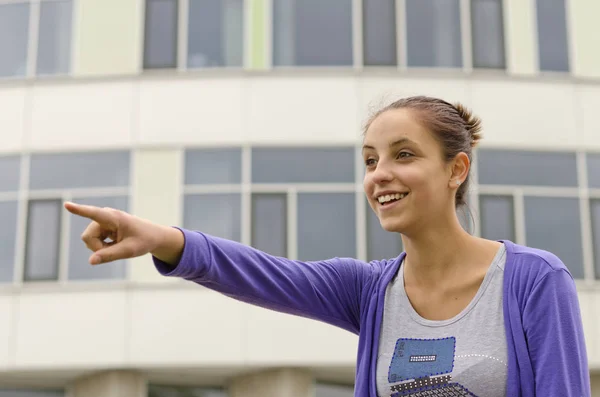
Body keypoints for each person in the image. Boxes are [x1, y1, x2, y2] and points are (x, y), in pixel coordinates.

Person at [64, 95, 590, 397]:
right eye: (369, 160)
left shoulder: (532, 281)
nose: (380, 175)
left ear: (457, 168)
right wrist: (160, 238)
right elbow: (264, 274)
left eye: (403, 155)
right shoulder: (369, 291)